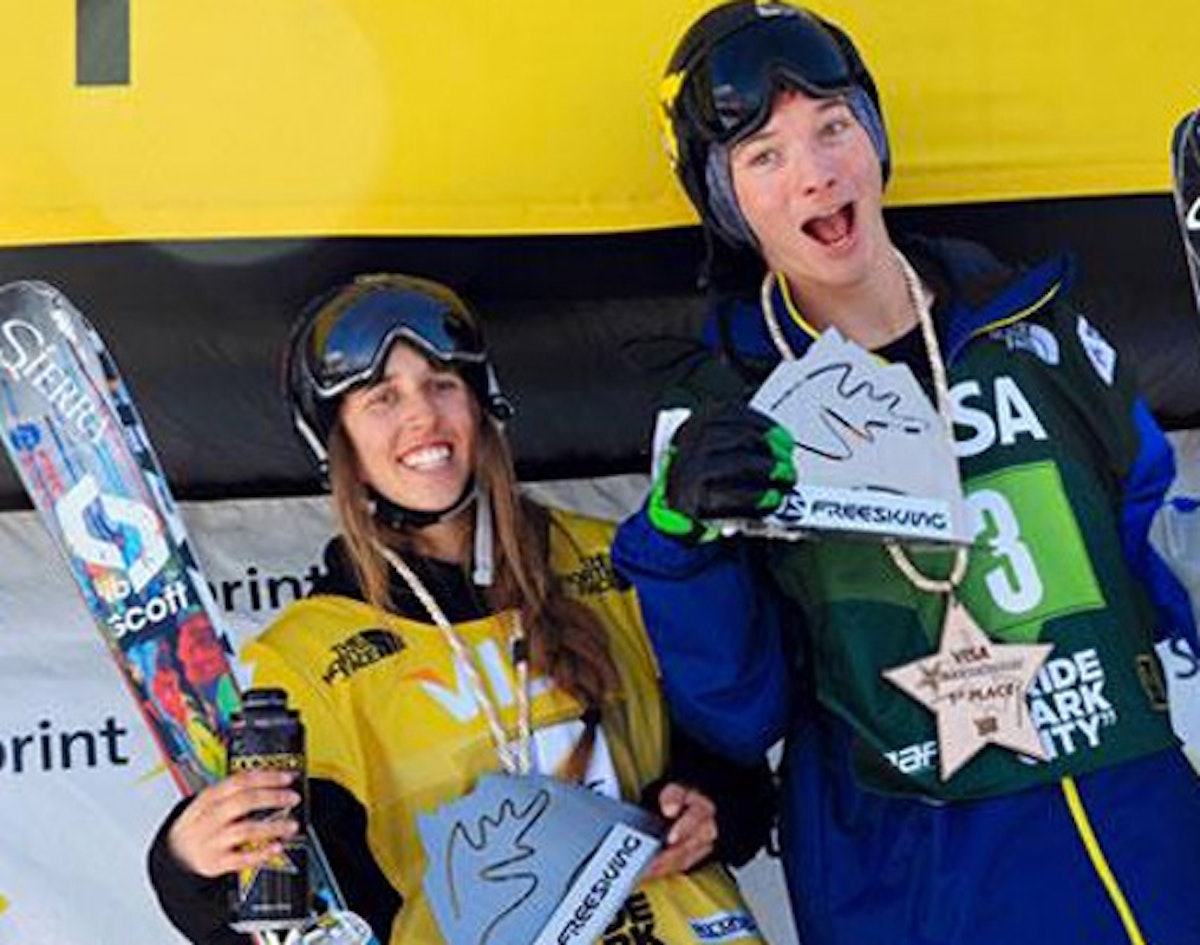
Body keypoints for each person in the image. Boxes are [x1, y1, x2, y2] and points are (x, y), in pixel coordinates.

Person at [612, 3, 1200, 944]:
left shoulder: (1031, 329)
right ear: (727, 200)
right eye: (764, 156)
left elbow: (1146, 524)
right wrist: (681, 542)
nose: (815, 171)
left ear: (875, 142)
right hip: (919, 878)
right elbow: (739, 705)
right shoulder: (729, 404)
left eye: (834, 129)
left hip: (1140, 848)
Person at [145, 273, 773, 944]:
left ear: (481, 403)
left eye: (443, 383)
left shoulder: (618, 561)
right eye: (381, 397)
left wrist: (711, 804)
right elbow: (310, 914)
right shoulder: (305, 657)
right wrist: (189, 871)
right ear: (337, 442)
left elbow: (734, 748)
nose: (422, 416)